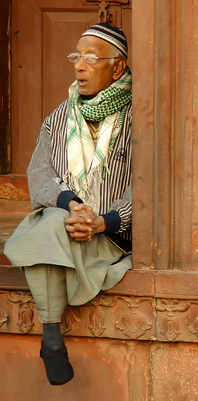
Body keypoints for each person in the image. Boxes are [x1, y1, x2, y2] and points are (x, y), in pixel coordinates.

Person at [4, 22, 133, 386]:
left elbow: (147, 189)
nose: (79, 66)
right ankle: (51, 336)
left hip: (110, 238)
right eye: (76, 56)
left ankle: (49, 333)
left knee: (45, 232)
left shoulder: (141, 116)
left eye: (91, 58)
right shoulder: (59, 118)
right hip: (68, 227)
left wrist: (103, 221)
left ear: (118, 67)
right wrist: (73, 205)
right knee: (46, 222)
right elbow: (39, 173)